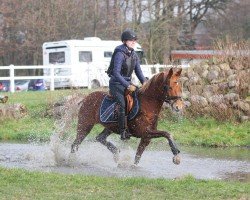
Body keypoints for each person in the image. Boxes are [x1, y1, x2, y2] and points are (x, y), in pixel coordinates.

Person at [108, 29, 147, 140]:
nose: (133, 41)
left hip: (127, 83)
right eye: (131, 40)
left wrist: (144, 82)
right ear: (125, 41)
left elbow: (138, 71)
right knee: (122, 104)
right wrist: (127, 85)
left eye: (134, 40)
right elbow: (115, 73)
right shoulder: (119, 53)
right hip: (116, 83)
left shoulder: (134, 54)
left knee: (139, 99)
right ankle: (123, 131)